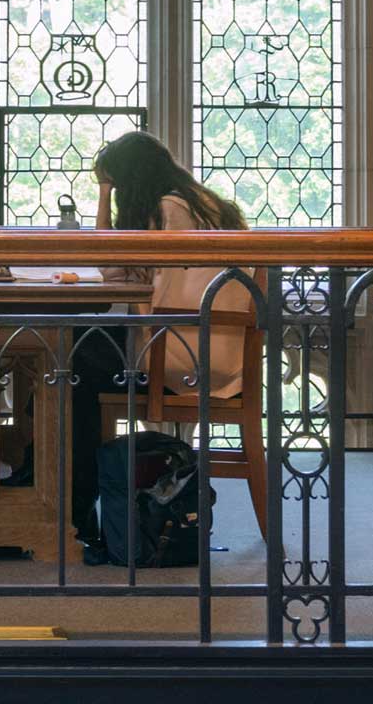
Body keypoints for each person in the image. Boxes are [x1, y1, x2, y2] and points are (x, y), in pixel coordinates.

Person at [36, 130, 255, 542]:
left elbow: (109, 266)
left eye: (117, 184)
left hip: (175, 350)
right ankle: (64, 496)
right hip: (211, 346)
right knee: (75, 353)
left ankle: (70, 506)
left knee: (64, 361)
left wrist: (102, 194)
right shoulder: (203, 204)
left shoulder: (169, 210)